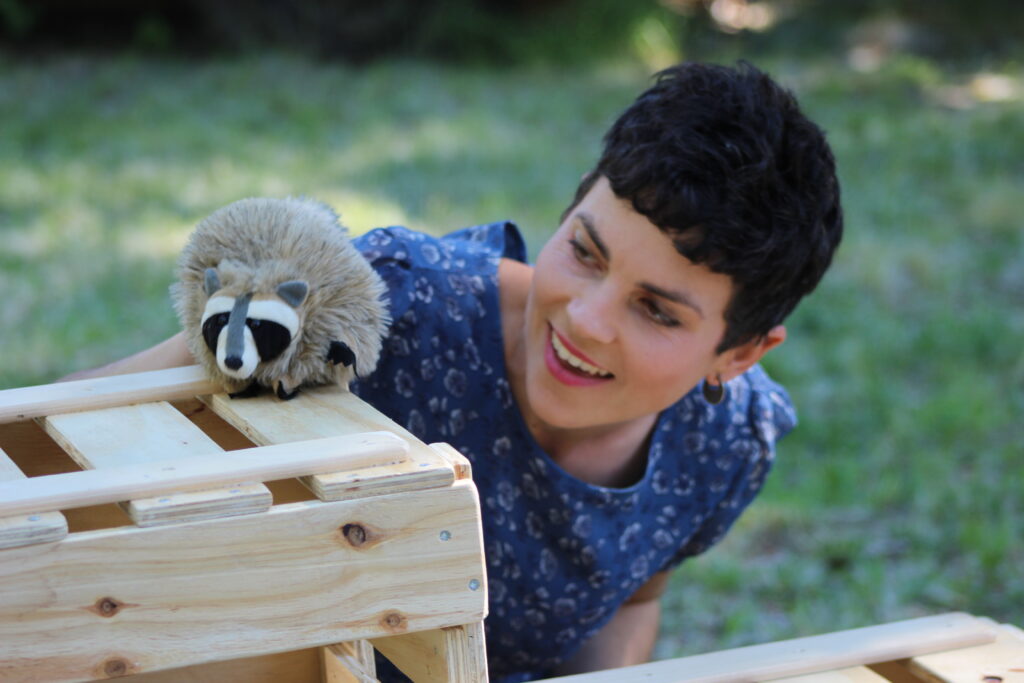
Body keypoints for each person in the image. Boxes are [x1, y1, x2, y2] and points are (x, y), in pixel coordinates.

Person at [65, 61, 842, 682]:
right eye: (585, 252)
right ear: (569, 211)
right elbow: (90, 415)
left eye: (658, 311)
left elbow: (635, 596)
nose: (585, 318)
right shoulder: (388, 301)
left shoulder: (728, 444)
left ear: (739, 354)